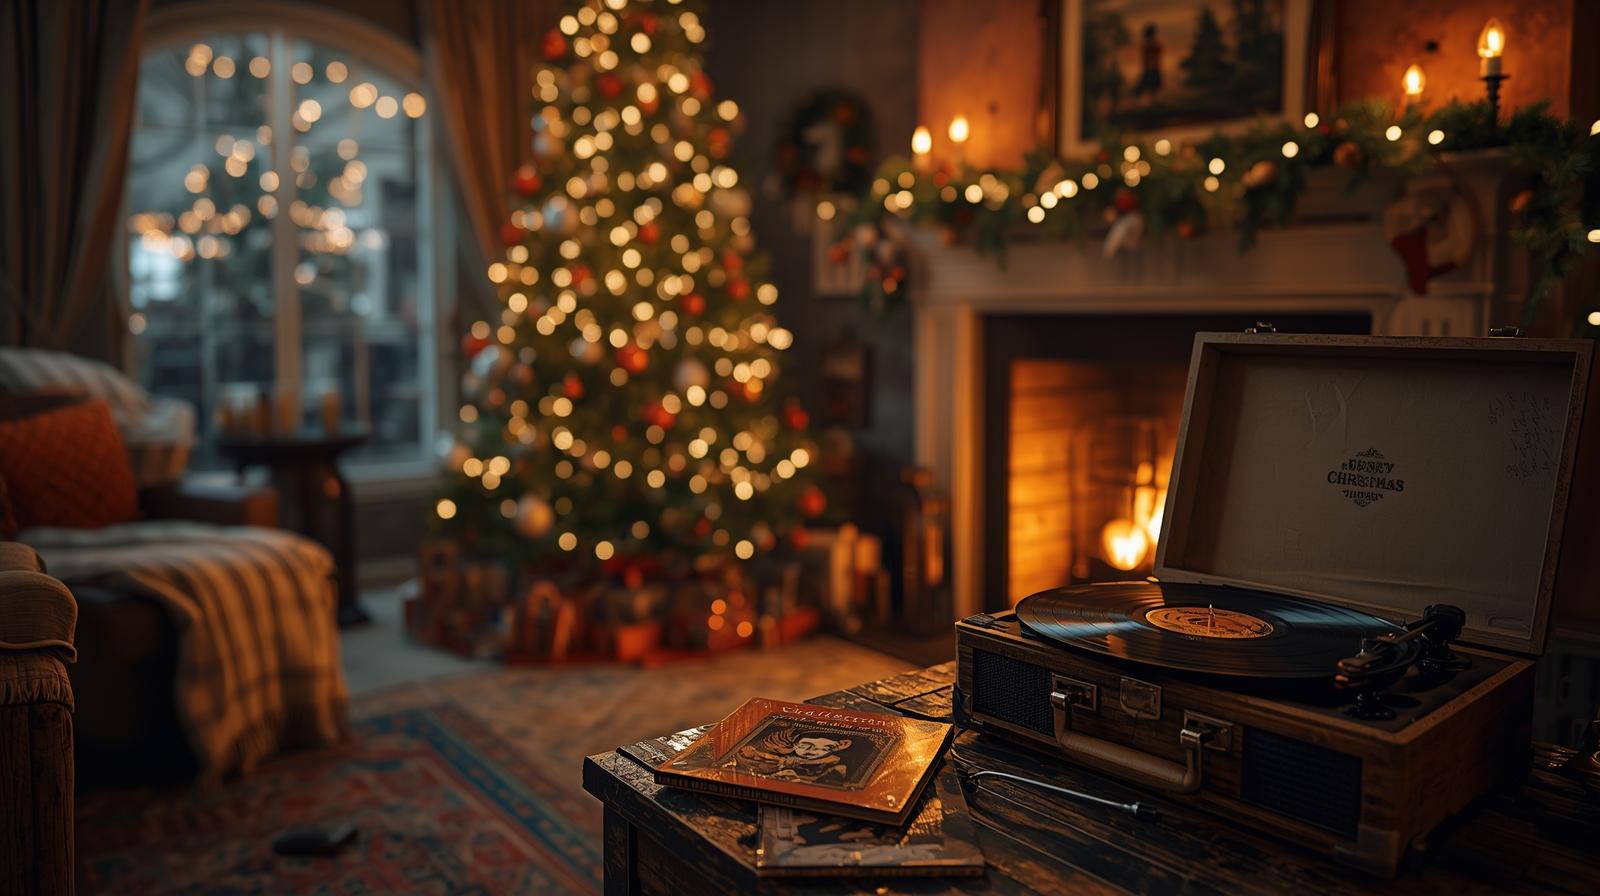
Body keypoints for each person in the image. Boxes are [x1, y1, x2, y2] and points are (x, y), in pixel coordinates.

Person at [1132, 22, 1163, 104]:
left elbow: (1156, 56)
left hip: (1153, 69)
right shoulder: (1148, 46)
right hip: (1150, 69)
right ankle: (1150, 103)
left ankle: (1153, 103)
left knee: (1153, 88)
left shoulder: (1153, 45)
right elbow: (1146, 59)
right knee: (1147, 87)